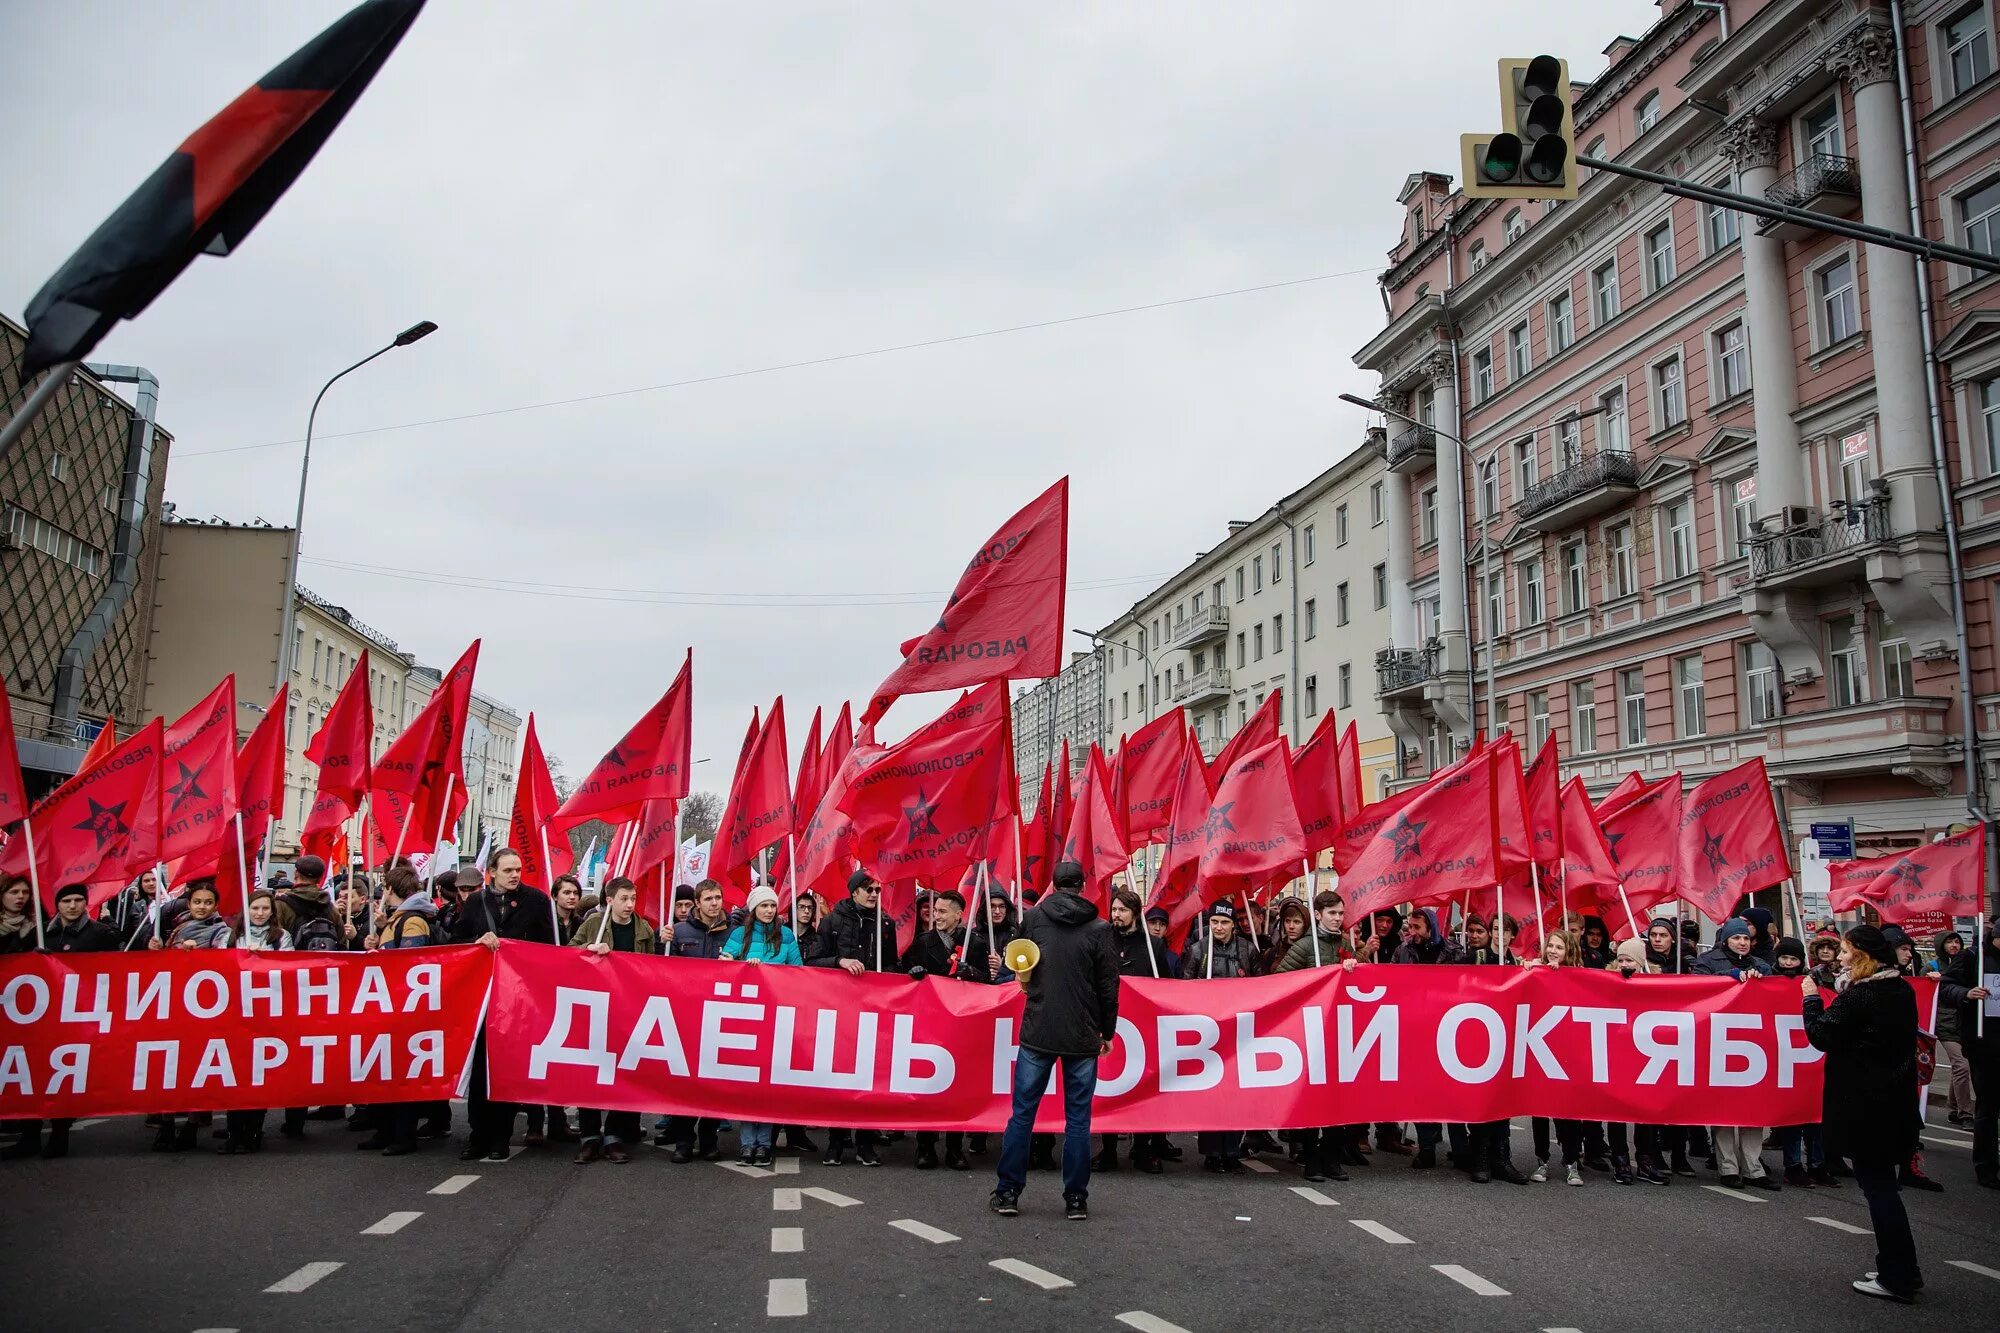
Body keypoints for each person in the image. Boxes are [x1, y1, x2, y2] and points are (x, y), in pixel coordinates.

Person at [1802, 925, 1926, 1302]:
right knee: (1884, 1187)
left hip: (1866, 1109)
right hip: (1895, 1106)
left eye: (1844, 951)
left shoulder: (1862, 996)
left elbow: (1820, 1035)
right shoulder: (1900, 989)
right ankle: (1901, 1268)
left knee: (1880, 1191)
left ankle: (1898, 1276)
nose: (1839, 957)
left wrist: (1810, 1000)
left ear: (1862, 956)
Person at [990, 862, 1118, 1221]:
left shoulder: (1033, 920)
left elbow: (1016, 960)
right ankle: (1076, 1198)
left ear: (1053, 885)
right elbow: (1109, 986)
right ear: (1082, 887)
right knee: (1078, 1120)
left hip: (1039, 1030)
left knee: (1022, 1114)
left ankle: (1008, 1192)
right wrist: (1107, 1032)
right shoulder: (1100, 928)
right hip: (1082, 1034)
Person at [453, 849, 556, 1162]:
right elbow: (455, 943)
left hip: (517, 1001)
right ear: (492, 872)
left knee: (506, 1068)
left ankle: (501, 1135)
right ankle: (477, 1134)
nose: (514, 875)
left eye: (518, 870)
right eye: (508, 870)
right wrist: (476, 942)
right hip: (482, 998)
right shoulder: (475, 903)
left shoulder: (537, 902)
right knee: (481, 1069)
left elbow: (549, 949)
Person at [2, 884, 115, 1161]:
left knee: (64, 1077)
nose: (73, 906)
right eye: (66, 900)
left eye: (78, 900)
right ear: (58, 904)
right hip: (38, 1016)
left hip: (75, 1016)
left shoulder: (100, 934)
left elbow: (119, 966)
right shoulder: (39, 933)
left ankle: (59, 1135)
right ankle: (30, 1135)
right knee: (34, 1074)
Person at [1273, 891, 1364, 1182]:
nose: (1337, 919)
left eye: (1340, 914)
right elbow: (1280, 982)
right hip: (1311, 1032)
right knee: (1314, 1101)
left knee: (1338, 1100)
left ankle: (1332, 1159)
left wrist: (1352, 969)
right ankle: (1312, 1159)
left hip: (1341, 1032)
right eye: (1332, 914)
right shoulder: (1303, 947)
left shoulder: (1346, 946)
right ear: (1318, 915)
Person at [565, 877, 655, 1164]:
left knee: (623, 1072)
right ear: (610, 900)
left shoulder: (644, 930)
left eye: (633, 898)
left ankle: (614, 1135)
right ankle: (590, 1136)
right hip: (596, 1008)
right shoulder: (594, 925)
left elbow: (654, 968)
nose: (630, 905)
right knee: (590, 1073)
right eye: (625, 899)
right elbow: (568, 953)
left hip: (629, 1009)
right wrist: (589, 949)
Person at [813, 871, 898, 1166]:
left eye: (877, 889)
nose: (874, 894)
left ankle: (864, 1142)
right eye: (867, 889)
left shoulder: (885, 923)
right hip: (839, 1009)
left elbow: (891, 964)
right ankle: (836, 1142)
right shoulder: (832, 921)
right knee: (839, 1075)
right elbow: (813, 960)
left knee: (868, 1076)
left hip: (872, 1010)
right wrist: (840, 962)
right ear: (854, 892)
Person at [1691, 918, 1779, 1190]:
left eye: (1745, 939)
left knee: (1753, 1109)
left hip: (1752, 1044)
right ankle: (1728, 1167)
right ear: (1726, 939)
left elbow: (1776, 989)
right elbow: (1695, 985)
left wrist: (1761, 981)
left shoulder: (1761, 965)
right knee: (1724, 1108)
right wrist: (1725, 978)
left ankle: (1753, 1168)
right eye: (1736, 938)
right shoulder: (1707, 961)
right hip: (1718, 1041)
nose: (1742, 943)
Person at [1096, 888, 1171, 1173]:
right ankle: (1109, 1149)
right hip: (1111, 1027)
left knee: (1143, 1089)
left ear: (1134, 913)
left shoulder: (1153, 946)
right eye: (1113, 910)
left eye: (1122, 911)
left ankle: (1142, 1149)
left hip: (1143, 1030)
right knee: (1109, 1087)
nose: (1116, 915)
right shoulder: (1101, 941)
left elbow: (1167, 985)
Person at [902, 888, 976, 1171]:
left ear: (959, 914)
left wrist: (971, 973)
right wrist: (914, 973)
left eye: (944, 911)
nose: (938, 916)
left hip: (962, 1025)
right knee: (928, 1086)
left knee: (958, 1088)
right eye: (936, 911)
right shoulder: (921, 942)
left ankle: (955, 1149)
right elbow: (903, 973)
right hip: (930, 1024)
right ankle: (925, 1146)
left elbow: (988, 984)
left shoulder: (975, 942)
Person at [0, 876, 36, 954]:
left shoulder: (36, 926)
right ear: (1, 895)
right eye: (14, 892)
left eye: (26, 892)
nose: (21, 896)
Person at [1142, 907, 1179, 976]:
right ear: (1144, 925)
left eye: (1162, 924)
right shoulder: (1135, 952)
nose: (1157, 928)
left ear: (1166, 930)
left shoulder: (1173, 958)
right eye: (1153, 923)